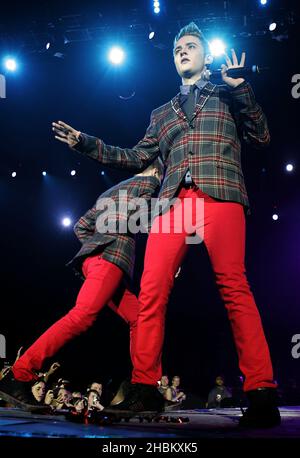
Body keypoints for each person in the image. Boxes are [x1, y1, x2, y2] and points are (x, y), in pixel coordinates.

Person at [48, 22, 280, 426]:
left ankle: (261, 392)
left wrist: (242, 89)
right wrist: (85, 142)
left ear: (207, 57)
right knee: (153, 289)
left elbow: (261, 137)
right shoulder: (161, 113)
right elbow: (134, 157)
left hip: (221, 194)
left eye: (191, 47)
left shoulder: (227, 92)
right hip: (175, 204)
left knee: (234, 287)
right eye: (178, 49)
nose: (183, 52)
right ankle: (144, 388)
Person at [0, 154, 163, 409]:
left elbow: (81, 226)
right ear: (156, 172)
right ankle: (20, 372)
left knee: (140, 317)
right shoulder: (146, 185)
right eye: (160, 176)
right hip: (110, 261)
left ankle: (145, 385)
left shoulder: (110, 192)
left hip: (100, 262)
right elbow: (155, 218)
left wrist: (96, 249)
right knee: (81, 317)